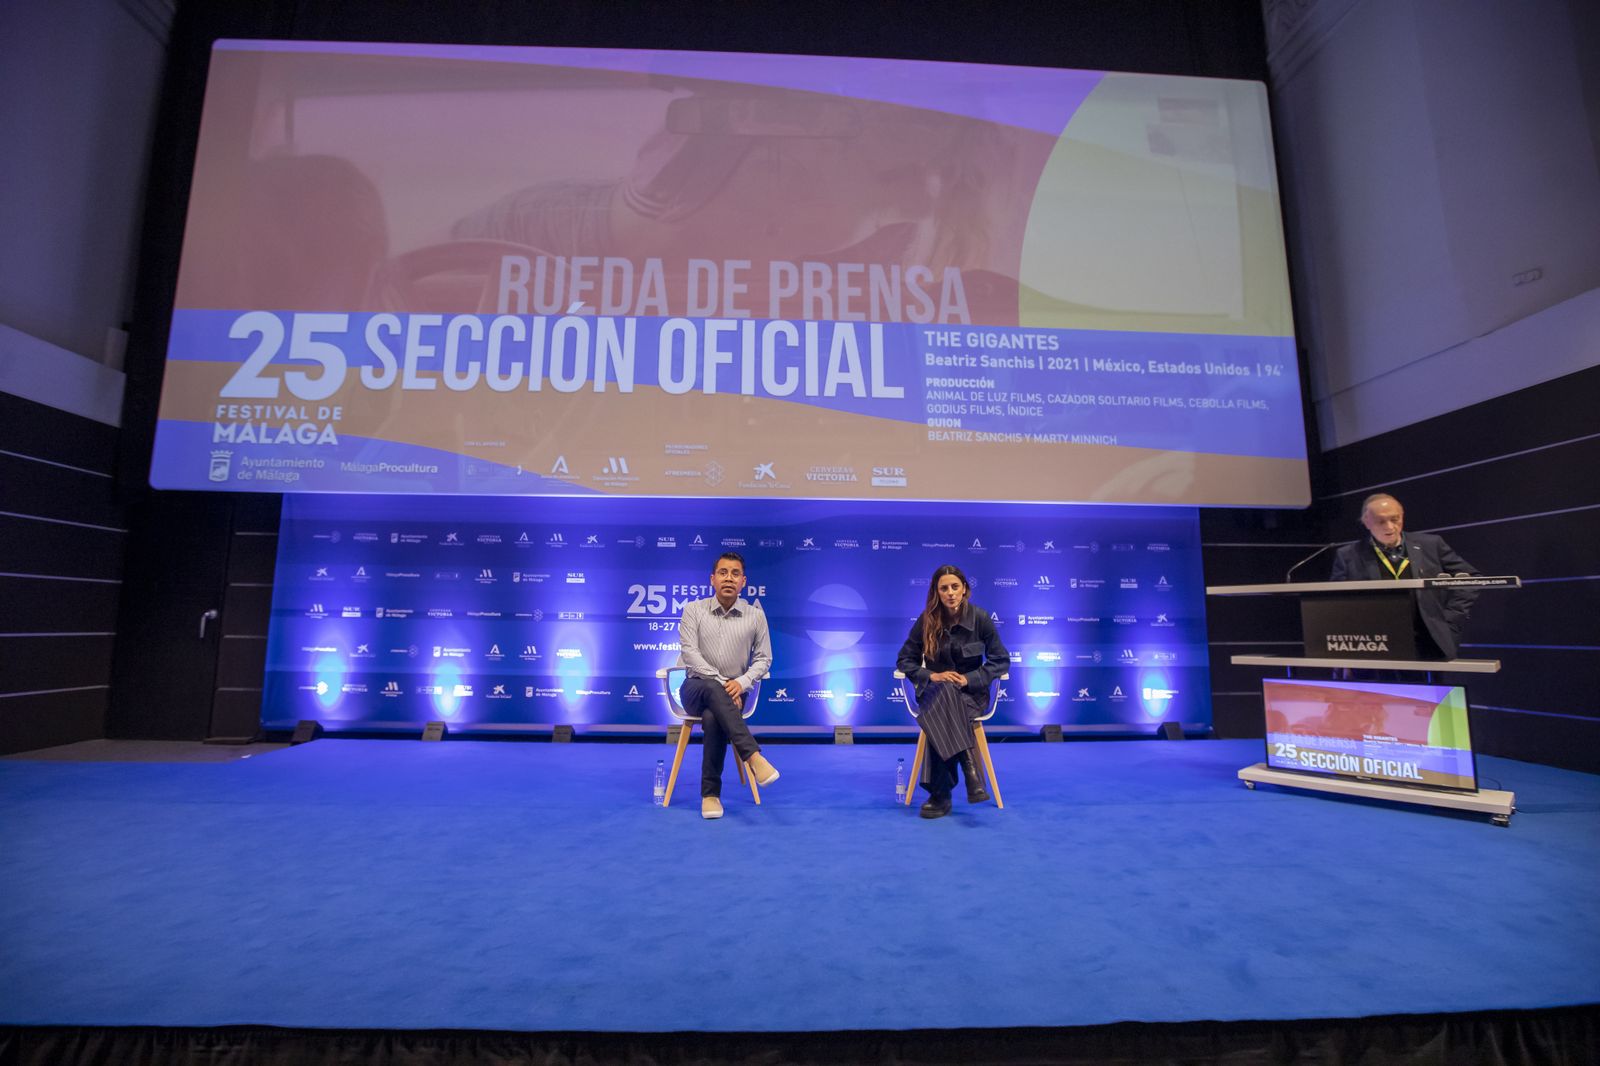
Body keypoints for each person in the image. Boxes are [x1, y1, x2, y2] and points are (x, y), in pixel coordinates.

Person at [895, 565, 1010, 819]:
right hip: (933, 693)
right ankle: (970, 771)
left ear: (964, 589)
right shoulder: (927, 620)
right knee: (944, 691)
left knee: (943, 707)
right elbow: (905, 660)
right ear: (936, 592)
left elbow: (1001, 660)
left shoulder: (980, 618)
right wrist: (932, 675)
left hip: (972, 696)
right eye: (944, 588)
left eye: (955, 587)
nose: (950, 593)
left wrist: (969, 679)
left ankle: (940, 795)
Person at [675, 552, 779, 819]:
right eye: (723, 573)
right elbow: (690, 655)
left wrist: (742, 683)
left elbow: (764, 658)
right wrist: (724, 684)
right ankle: (753, 757)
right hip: (695, 688)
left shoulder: (755, 616)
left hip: (735, 692)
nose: (729, 578)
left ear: (743, 581)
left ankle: (710, 795)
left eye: (735, 574)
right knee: (712, 689)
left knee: (713, 717)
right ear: (712, 579)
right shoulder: (693, 610)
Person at [1329, 493, 1480, 659]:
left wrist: (1451, 617)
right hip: (1375, 641)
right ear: (1366, 522)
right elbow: (1338, 601)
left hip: (1428, 638)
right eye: (1381, 521)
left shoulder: (1430, 544)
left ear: (1402, 516)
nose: (1390, 527)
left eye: (1395, 519)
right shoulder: (1349, 555)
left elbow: (1471, 578)